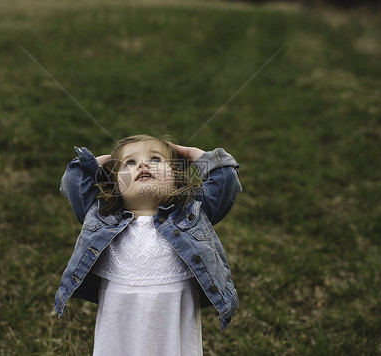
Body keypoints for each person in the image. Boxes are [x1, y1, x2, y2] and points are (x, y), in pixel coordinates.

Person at [54, 134, 242, 355]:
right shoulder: (101, 216)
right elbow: (74, 180)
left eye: (156, 159)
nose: (143, 164)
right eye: (130, 163)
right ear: (115, 184)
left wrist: (189, 153)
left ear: (176, 177)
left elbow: (225, 178)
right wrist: (102, 162)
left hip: (172, 325)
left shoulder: (192, 214)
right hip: (119, 327)